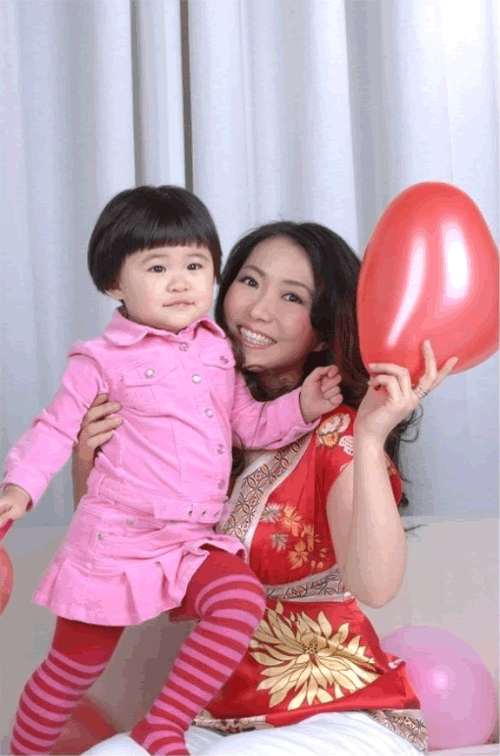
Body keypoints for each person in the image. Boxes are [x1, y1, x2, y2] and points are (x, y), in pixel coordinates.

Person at [71, 221, 458, 756]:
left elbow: (374, 587)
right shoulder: (190, 423)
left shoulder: (336, 432)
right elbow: (123, 572)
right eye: (249, 282)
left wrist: (370, 439)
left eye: (292, 297)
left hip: (344, 713)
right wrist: (88, 461)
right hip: (214, 719)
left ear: (324, 329)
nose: (257, 310)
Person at [1, 189, 342, 756]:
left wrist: (303, 405)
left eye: (195, 265)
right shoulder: (99, 359)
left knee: (238, 600)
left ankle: (162, 725)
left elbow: (247, 425)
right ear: (114, 284)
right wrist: (19, 487)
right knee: (70, 670)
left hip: (189, 540)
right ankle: (25, 751)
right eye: (157, 268)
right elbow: (57, 427)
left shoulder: (217, 350)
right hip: (116, 540)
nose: (180, 282)